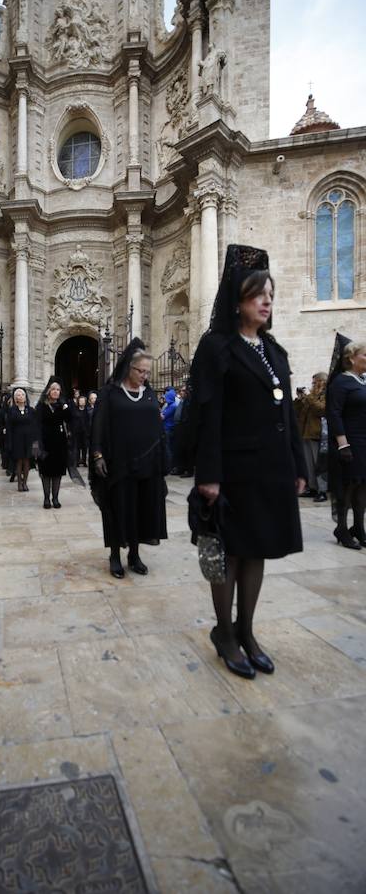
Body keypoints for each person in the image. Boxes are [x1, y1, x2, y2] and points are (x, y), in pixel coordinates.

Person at [189, 244, 307, 679]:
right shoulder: (217, 347)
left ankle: (247, 629)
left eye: (271, 295)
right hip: (232, 471)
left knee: (256, 551)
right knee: (230, 555)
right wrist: (209, 475)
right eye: (259, 294)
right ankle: (224, 632)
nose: (267, 301)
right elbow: (207, 414)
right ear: (238, 300)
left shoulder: (274, 351)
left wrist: (298, 465)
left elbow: (287, 414)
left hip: (269, 471)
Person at [89, 339, 168, 578]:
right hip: (118, 463)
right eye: (141, 371)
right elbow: (98, 426)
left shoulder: (149, 392)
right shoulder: (110, 392)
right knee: (118, 508)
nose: (144, 375)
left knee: (141, 508)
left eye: (147, 372)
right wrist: (97, 455)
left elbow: (156, 423)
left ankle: (134, 554)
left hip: (147, 462)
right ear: (128, 368)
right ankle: (115, 555)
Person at [326, 337, 366, 548]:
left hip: (365, 441)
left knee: (363, 486)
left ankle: (359, 527)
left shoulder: (364, 380)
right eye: (365, 354)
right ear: (351, 358)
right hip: (350, 441)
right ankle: (342, 528)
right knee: (348, 486)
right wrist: (343, 444)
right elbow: (333, 413)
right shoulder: (341, 381)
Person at [35, 377, 71, 509]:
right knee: (46, 472)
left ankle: (55, 498)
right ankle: (46, 498)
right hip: (45, 443)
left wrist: (67, 408)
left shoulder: (62, 405)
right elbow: (37, 425)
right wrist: (38, 444)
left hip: (60, 443)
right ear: (48, 391)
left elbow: (70, 420)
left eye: (58, 390)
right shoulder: (41, 406)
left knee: (57, 472)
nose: (56, 391)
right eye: (53, 389)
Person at [295, 372, 328, 501]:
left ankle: (322, 490)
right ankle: (313, 488)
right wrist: (300, 398)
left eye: (315, 382)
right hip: (306, 433)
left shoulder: (327, 394)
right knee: (309, 464)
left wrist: (308, 398)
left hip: (319, 434)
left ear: (322, 382)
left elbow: (321, 410)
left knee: (319, 464)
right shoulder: (312, 396)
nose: (313, 385)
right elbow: (297, 410)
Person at [5, 387, 35, 491]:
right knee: (19, 461)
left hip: (28, 439)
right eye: (18, 395)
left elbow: (34, 424)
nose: (21, 396)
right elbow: (9, 427)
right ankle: (19, 484)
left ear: (25, 397)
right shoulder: (11, 410)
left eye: (22, 394)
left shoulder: (30, 410)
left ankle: (25, 482)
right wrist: (9, 442)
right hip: (16, 438)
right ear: (15, 398)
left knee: (27, 461)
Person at [70, 394, 90, 466]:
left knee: (85, 447)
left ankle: (84, 461)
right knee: (77, 447)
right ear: (78, 402)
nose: (82, 402)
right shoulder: (75, 410)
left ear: (85, 402)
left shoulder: (87, 410)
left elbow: (88, 422)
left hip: (85, 432)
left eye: (83, 401)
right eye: (80, 401)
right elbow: (72, 421)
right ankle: (77, 461)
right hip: (77, 432)